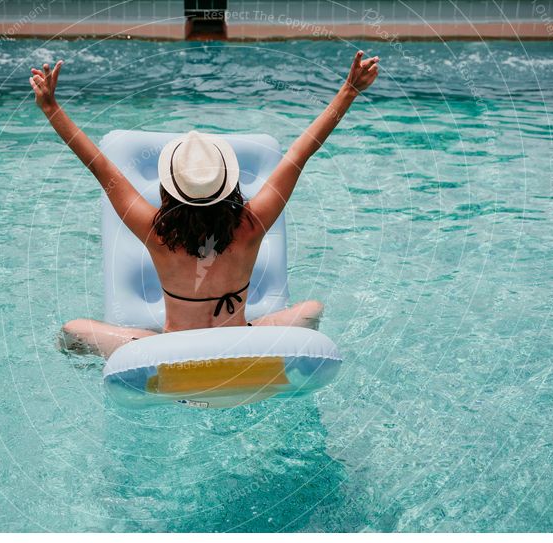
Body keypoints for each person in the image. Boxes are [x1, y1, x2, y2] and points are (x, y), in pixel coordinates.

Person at [29, 50, 379, 357]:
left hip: (172, 353)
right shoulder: (252, 225)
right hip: (240, 347)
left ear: (170, 188)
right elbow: (300, 152)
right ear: (228, 185)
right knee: (310, 310)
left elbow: (99, 165)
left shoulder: (158, 234)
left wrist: (51, 108)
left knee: (73, 330)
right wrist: (349, 91)